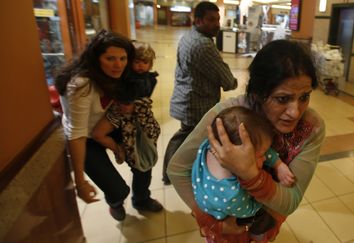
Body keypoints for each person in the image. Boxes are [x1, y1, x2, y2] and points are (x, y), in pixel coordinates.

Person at [167, 39, 325, 242]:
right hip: (224, 226)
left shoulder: (311, 127)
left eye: (304, 97)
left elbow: (291, 200)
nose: (295, 112)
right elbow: (177, 169)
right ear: (258, 93)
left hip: (266, 223)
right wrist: (209, 219)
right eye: (282, 99)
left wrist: (249, 174)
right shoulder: (230, 118)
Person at [55, 29, 143, 221]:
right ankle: (115, 203)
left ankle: (142, 198)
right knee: (118, 190)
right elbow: (76, 133)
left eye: (123, 58)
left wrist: (115, 143)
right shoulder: (81, 85)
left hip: (103, 127)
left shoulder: (118, 77)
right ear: (96, 59)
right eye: (110, 58)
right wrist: (80, 182)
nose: (118, 65)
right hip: (83, 138)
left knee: (143, 161)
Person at [192, 106, 295, 242]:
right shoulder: (233, 194)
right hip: (227, 220)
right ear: (236, 160)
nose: (265, 158)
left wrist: (278, 164)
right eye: (260, 156)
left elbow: (260, 147)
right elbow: (251, 210)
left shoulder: (211, 146)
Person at [162, 1, 238, 185]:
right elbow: (228, 81)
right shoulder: (203, 45)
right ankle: (176, 174)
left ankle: (170, 173)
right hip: (196, 104)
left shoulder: (190, 36)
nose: (217, 24)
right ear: (197, 20)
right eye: (211, 20)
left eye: (218, 19)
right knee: (188, 139)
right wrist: (232, 80)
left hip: (186, 97)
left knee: (184, 136)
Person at [92, 79, 163, 215]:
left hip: (140, 146)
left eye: (128, 103)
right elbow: (98, 134)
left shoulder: (142, 106)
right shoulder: (116, 113)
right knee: (118, 184)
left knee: (144, 174)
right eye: (120, 103)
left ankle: (141, 200)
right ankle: (118, 204)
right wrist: (118, 148)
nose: (124, 107)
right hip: (126, 146)